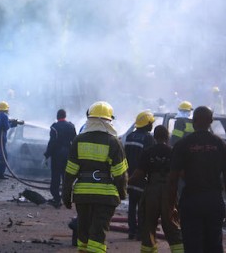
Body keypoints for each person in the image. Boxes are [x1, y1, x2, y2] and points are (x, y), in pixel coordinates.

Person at [62, 101, 128, 252]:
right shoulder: (114, 142)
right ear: (108, 120)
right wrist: (122, 193)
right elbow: (120, 174)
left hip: (82, 196)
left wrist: (66, 195)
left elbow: (70, 172)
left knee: (83, 233)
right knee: (98, 235)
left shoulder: (79, 140)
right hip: (105, 197)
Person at [169, 106, 226, 253]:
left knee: (192, 246)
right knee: (214, 245)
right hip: (214, 202)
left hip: (191, 202)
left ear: (193, 121)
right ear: (211, 121)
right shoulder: (220, 145)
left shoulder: (183, 145)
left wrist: (172, 205)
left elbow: (172, 180)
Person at [128, 125, 183, 252]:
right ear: (167, 137)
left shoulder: (148, 152)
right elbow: (182, 173)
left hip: (151, 191)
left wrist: (125, 183)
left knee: (148, 225)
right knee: (172, 225)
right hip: (170, 193)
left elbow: (139, 174)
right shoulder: (173, 152)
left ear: (154, 137)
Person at [124, 110, 156, 240]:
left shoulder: (130, 136)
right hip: (142, 176)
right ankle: (141, 232)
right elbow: (150, 158)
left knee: (132, 205)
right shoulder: (148, 138)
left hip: (130, 175)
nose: (152, 125)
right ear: (147, 124)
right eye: (151, 123)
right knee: (142, 207)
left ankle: (132, 230)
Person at [43, 109, 76, 208]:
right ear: (65, 116)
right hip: (68, 155)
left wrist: (46, 155)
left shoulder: (54, 127)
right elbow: (75, 140)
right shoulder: (71, 126)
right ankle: (66, 198)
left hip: (57, 155)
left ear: (57, 117)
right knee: (66, 177)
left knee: (55, 178)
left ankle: (56, 199)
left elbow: (52, 143)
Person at [0, 101, 23, 180]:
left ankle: (0, 174)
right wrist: (14, 124)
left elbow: (3, 124)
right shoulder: (4, 116)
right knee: (1, 157)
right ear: (6, 109)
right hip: (0, 139)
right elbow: (6, 127)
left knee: (3, 156)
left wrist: (13, 122)